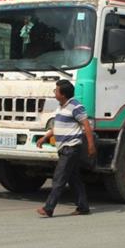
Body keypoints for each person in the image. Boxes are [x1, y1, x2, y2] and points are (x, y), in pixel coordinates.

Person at [35, 79, 96, 217]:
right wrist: (44, 137)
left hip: (71, 148)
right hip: (63, 148)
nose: (54, 93)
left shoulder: (75, 106)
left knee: (59, 178)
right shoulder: (61, 107)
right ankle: (83, 207)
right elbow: (57, 126)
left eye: (56, 91)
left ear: (63, 94)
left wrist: (91, 145)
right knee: (74, 179)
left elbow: (86, 125)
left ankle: (48, 208)